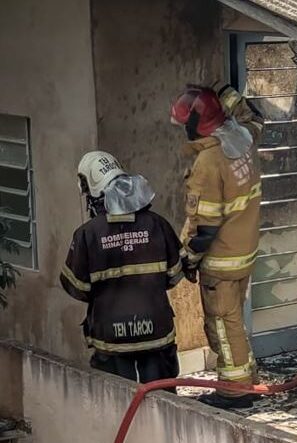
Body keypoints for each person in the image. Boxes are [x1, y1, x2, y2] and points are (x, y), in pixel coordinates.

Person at [170, 82, 264, 409]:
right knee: (234, 320)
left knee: (222, 324)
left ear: (196, 123)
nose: (184, 129)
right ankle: (247, 378)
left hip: (221, 260)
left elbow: (205, 224)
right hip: (245, 253)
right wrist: (225, 92)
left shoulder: (208, 162)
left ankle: (235, 392)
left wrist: (189, 261)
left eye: (186, 123)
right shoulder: (243, 141)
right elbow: (256, 117)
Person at [60, 151, 182, 382]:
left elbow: (76, 287)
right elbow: (174, 276)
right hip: (156, 333)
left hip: (110, 338)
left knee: (117, 404)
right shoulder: (158, 224)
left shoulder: (87, 234)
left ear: (92, 191)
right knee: (164, 403)